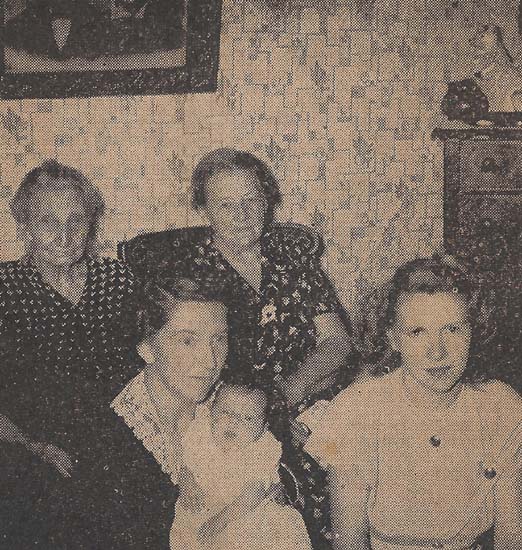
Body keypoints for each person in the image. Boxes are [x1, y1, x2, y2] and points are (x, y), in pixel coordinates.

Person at [119, 147, 354, 547]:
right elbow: (192, 367)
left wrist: (286, 394)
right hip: (236, 415)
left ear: (267, 201)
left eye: (252, 201)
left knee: (361, 463)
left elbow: (337, 342)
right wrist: (265, 415)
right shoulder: (189, 271)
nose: (242, 215)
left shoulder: (291, 258)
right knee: (278, 499)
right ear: (204, 210)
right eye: (227, 205)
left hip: (306, 397)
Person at [305, 256, 522, 550]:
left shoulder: (501, 407)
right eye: (418, 332)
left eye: (453, 329)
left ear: (473, 330)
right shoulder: (358, 411)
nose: (438, 352)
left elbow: (512, 537)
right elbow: (350, 543)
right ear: (393, 338)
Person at [0, 160, 138, 548]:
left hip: (118, 439)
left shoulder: (116, 279)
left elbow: (155, 362)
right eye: (48, 221)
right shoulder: (4, 288)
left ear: (91, 223)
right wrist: (33, 446)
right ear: (24, 227)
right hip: (29, 445)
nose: (64, 235)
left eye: (76, 220)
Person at [111, 276, 230, 549]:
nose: (210, 360)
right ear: (147, 348)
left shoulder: (230, 404)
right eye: (188, 341)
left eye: (219, 339)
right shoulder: (114, 437)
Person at [170, 382, 312, 550]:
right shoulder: (201, 433)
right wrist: (187, 483)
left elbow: (254, 493)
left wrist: (221, 520)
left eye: (247, 418)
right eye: (226, 412)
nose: (234, 422)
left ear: (263, 427)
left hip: (244, 512)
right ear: (211, 411)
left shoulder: (262, 448)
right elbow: (184, 463)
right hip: (201, 505)